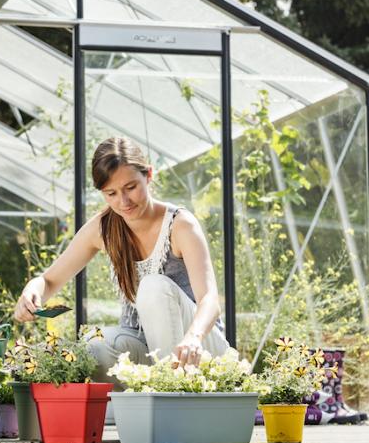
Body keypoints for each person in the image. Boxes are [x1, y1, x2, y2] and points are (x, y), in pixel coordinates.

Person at [14, 137, 229, 388]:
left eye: (130, 187)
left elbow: (210, 300)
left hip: (197, 348)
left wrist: (193, 338)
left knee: (153, 287)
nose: (123, 202)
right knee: (94, 345)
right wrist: (31, 291)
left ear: (148, 175)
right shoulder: (103, 229)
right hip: (146, 348)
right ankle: (151, 395)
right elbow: (49, 280)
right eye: (111, 193)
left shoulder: (180, 225)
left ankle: (174, 395)